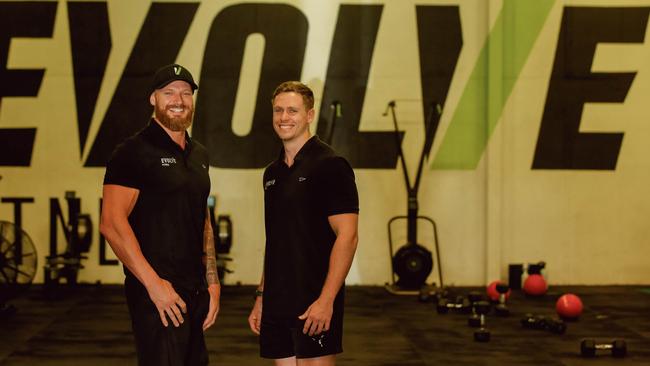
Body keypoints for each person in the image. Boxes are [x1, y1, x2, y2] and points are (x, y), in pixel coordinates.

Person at [100, 63, 220, 366]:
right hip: (157, 294)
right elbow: (112, 223)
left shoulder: (199, 155)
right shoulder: (132, 152)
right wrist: (155, 286)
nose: (178, 100)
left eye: (185, 93)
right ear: (153, 99)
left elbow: (202, 219)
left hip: (195, 290)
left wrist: (213, 283)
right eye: (168, 92)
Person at [248, 81, 359, 366]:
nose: (284, 117)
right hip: (277, 303)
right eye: (278, 110)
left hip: (314, 301)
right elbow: (275, 240)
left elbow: (347, 236)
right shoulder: (271, 173)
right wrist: (262, 297)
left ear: (309, 115)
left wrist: (326, 301)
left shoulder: (331, 165)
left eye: (293, 111)